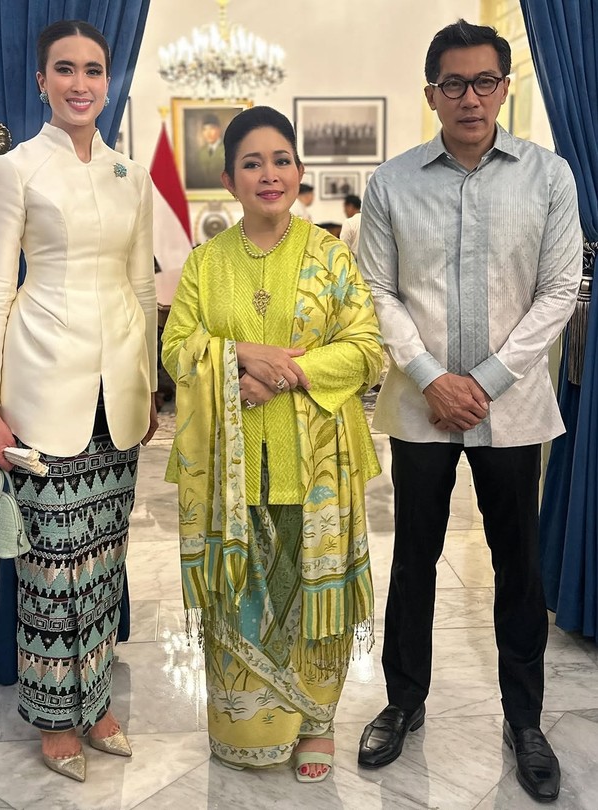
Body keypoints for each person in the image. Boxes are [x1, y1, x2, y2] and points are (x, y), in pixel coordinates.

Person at [357, 19, 582, 804]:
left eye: (485, 81)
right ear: (432, 94)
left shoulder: (550, 176)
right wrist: (430, 377)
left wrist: (483, 379)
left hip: (511, 408)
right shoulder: (392, 183)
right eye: (453, 83)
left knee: (517, 563)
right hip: (420, 406)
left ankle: (525, 720)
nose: (470, 97)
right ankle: (402, 701)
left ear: (505, 87)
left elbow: (559, 290)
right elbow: (376, 290)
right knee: (413, 558)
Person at [162, 105, 383, 781]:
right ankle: (243, 721)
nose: (269, 174)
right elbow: (176, 347)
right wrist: (239, 357)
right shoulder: (206, 264)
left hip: (317, 461)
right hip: (229, 473)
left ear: (299, 170)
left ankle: (316, 723)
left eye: (281, 160)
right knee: (243, 598)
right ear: (228, 180)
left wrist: (283, 375)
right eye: (252, 163)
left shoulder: (331, 257)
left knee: (312, 591)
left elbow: (367, 349)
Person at [0, 19, 159, 782]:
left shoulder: (131, 175)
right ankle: (55, 717)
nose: (81, 83)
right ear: (42, 81)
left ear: (108, 82)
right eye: (65, 69)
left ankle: (97, 703)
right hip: (41, 386)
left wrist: (150, 382)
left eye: (93, 70)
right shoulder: (15, 170)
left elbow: (142, 288)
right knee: (52, 568)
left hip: (120, 394)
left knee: (105, 560)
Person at [187, 112, 225, 189]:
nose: (208, 133)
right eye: (205, 129)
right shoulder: (201, 152)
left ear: (219, 130)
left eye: (211, 128)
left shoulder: (228, 150)